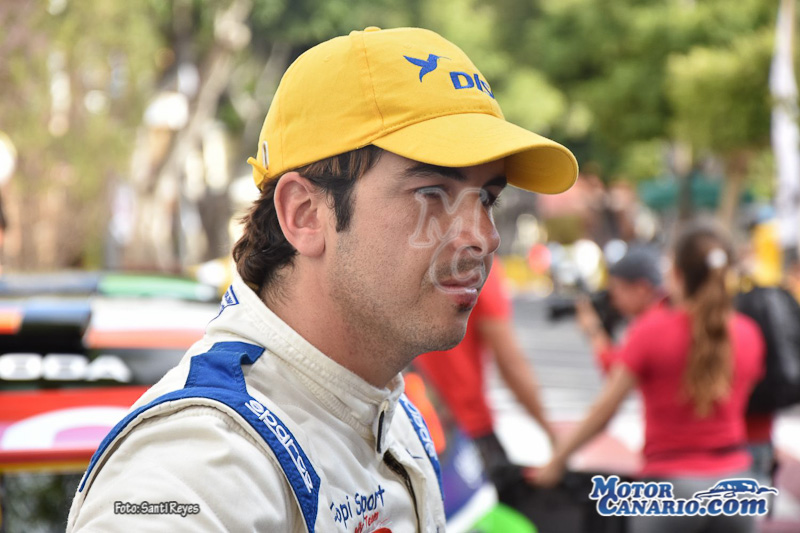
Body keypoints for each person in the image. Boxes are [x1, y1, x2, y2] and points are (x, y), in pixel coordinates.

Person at [67, 27, 578, 532]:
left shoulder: (390, 416)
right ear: (305, 214)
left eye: (486, 198)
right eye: (432, 194)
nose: (484, 237)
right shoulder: (196, 471)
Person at [531, 222, 765, 533]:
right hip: (737, 488)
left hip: (669, 490)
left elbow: (604, 410)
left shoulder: (652, 330)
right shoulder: (749, 334)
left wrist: (557, 462)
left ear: (678, 274)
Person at [413, 258, 555, 503]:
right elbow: (511, 364)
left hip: (409, 427)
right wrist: (552, 434)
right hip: (466, 432)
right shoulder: (477, 266)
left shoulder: (408, 259)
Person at [576, 246, 667, 374]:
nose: (614, 301)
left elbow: (617, 370)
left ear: (641, 289)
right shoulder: (668, 313)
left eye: (617, 290)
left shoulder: (651, 325)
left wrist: (593, 329)